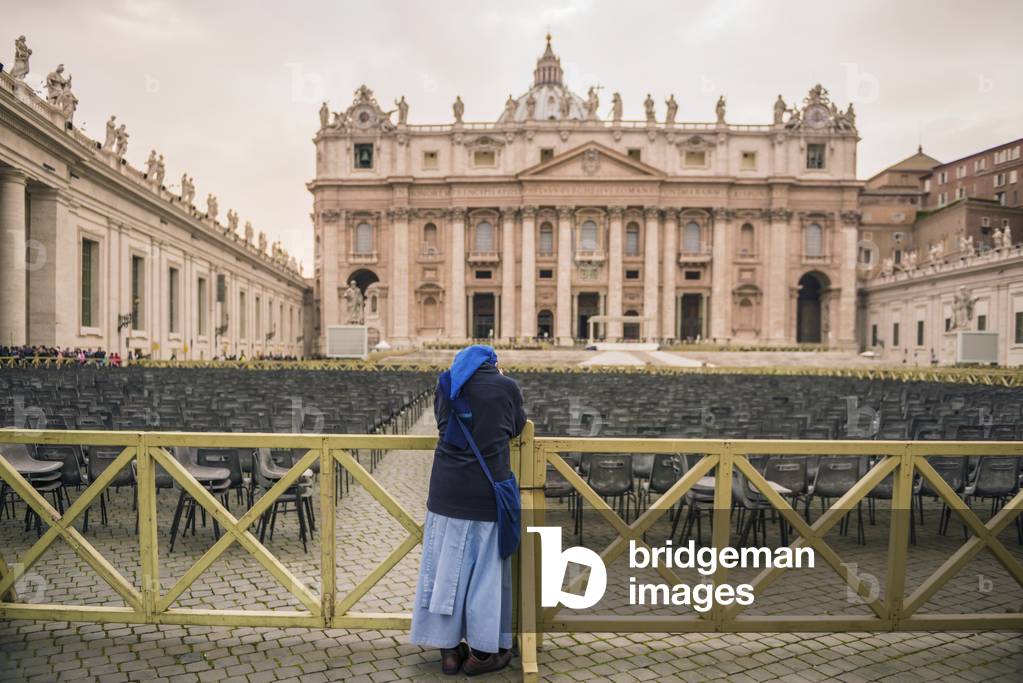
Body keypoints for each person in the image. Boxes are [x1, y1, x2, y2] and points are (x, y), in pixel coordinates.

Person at [410, 345, 526, 676]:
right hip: (488, 495)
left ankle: (448, 653)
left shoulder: (446, 384)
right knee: (486, 577)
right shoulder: (507, 387)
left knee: (445, 573)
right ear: (492, 364)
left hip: (447, 492)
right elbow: (516, 427)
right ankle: (481, 654)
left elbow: (444, 425)